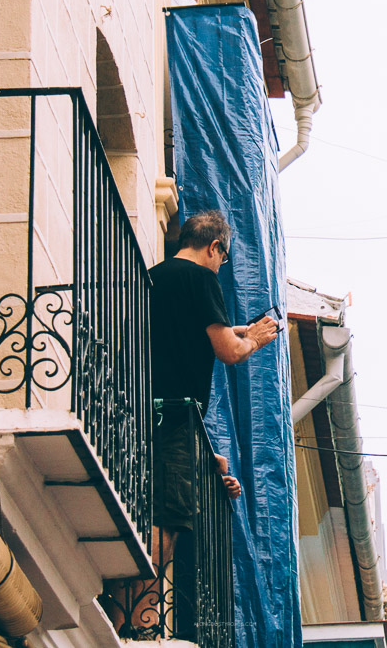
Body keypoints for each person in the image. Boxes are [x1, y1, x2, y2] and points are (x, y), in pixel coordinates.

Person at [121, 210, 278, 638]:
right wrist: (257, 340)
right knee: (167, 521)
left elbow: (183, 329)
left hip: (134, 411)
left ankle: (123, 614)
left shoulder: (153, 278)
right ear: (214, 248)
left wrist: (236, 328)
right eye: (222, 258)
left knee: (134, 512)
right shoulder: (203, 280)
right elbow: (227, 351)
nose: (220, 266)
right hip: (174, 418)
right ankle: (138, 626)